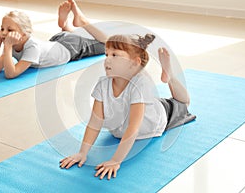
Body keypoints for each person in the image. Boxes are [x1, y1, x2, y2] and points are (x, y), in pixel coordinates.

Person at [59, 33, 196, 180]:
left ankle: (169, 76)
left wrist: (116, 160)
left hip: (157, 117)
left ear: (134, 62)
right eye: (106, 54)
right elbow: (94, 122)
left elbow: (133, 128)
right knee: (149, 102)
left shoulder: (140, 84)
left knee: (183, 102)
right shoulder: (102, 84)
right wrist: (82, 152)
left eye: (115, 55)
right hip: (125, 122)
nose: (107, 59)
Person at [0, 0, 107, 79]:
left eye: (10, 30)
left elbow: (11, 74)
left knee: (107, 45)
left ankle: (83, 22)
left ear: (24, 34)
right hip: (56, 41)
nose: (4, 33)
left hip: (70, 47)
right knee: (71, 35)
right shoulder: (13, 43)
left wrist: (7, 46)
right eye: (2, 28)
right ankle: (65, 26)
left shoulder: (31, 48)